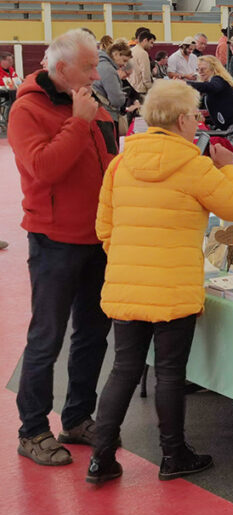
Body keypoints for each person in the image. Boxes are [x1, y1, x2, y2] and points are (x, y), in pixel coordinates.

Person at [86, 79, 233, 484]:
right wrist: (228, 166)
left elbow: (103, 228)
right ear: (182, 120)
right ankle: (173, 454)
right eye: (196, 115)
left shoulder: (120, 164)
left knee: (123, 368)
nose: (199, 121)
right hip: (174, 287)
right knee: (170, 374)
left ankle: (101, 458)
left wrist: (130, 260)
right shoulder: (194, 166)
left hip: (126, 283)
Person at [9, 29, 117, 466]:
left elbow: (110, 164)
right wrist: (78, 120)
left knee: (93, 334)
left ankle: (76, 417)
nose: (97, 73)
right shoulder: (26, 110)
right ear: (60, 69)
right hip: (54, 240)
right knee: (46, 337)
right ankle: (32, 430)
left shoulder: (93, 105)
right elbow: (43, 169)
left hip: (99, 237)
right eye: (90, 66)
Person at [188, 55, 233, 130]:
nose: (200, 72)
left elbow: (212, 87)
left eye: (203, 69)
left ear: (213, 69)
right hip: (227, 126)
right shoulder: (218, 80)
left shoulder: (218, 79)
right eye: (198, 69)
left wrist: (185, 84)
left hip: (231, 128)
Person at [93, 40, 131, 131]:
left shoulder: (99, 63)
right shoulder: (109, 70)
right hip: (108, 116)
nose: (124, 64)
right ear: (116, 54)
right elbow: (117, 100)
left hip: (99, 113)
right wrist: (123, 96)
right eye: (124, 60)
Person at [127, 30, 155, 96]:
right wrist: (151, 87)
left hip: (131, 87)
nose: (152, 46)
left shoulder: (131, 50)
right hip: (140, 89)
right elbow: (145, 73)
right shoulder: (143, 53)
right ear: (145, 40)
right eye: (151, 43)